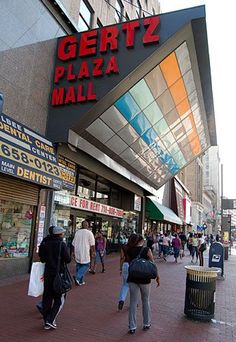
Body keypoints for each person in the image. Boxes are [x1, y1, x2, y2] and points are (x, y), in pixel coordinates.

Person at [126, 234, 160, 334]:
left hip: (132, 278)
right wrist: (157, 276)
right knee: (145, 300)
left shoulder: (130, 250)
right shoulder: (147, 250)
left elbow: (129, 262)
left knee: (133, 302)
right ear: (141, 241)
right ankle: (146, 323)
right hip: (145, 279)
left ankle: (132, 326)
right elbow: (153, 264)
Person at [39, 226, 71, 330]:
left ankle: (46, 320)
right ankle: (50, 319)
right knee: (58, 298)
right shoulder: (61, 244)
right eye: (62, 233)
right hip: (58, 274)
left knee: (47, 298)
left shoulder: (45, 243)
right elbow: (68, 259)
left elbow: (42, 258)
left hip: (47, 273)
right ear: (59, 234)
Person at [72, 220, 95, 286]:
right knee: (86, 265)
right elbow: (92, 244)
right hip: (85, 251)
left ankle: (80, 281)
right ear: (87, 226)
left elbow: (73, 244)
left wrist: (73, 252)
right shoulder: (89, 233)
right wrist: (93, 251)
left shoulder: (77, 232)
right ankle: (77, 277)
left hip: (77, 251)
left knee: (79, 265)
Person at [118, 234, 137, 311]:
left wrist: (120, 268)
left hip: (125, 265)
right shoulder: (137, 248)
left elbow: (122, 258)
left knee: (125, 284)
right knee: (134, 285)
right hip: (134, 266)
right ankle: (133, 303)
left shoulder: (124, 247)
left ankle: (121, 300)